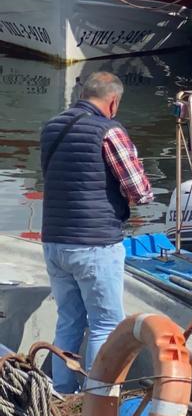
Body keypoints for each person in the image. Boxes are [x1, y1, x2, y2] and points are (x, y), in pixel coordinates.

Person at [40, 72, 154, 393]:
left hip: (54, 241)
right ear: (113, 102)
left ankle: (62, 392)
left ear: (83, 93)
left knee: (69, 321)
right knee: (106, 325)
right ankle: (98, 402)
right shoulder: (109, 131)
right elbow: (139, 191)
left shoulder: (51, 127)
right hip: (94, 243)